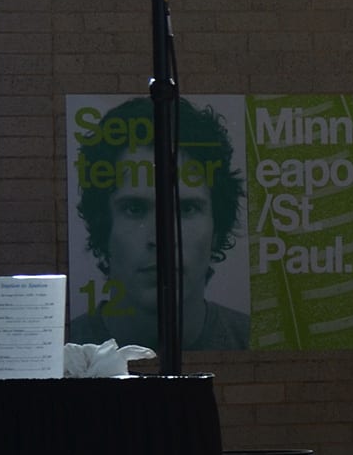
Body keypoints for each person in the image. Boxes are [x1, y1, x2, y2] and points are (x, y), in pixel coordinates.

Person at [68, 96, 251, 351]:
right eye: (134, 209)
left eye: (186, 209)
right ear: (102, 227)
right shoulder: (62, 349)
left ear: (217, 230)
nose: (161, 238)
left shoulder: (248, 338)